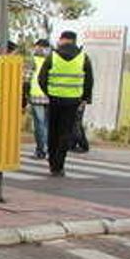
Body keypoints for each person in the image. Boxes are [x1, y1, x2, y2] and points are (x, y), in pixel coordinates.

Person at [38, 30, 94, 177]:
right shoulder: (83, 58)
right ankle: (59, 165)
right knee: (65, 133)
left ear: (62, 39)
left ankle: (52, 163)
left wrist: (49, 93)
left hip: (54, 99)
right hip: (73, 101)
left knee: (53, 132)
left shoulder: (53, 56)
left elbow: (41, 78)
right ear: (74, 41)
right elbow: (89, 81)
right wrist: (84, 98)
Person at [28, 38, 51, 159]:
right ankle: (48, 148)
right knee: (47, 124)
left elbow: (28, 77)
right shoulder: (52, 59)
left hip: (37, 96)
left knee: (39, 124)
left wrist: (25, 94)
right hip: (50, 95)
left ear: (38, 47)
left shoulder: (33, 60)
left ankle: (41, 150)